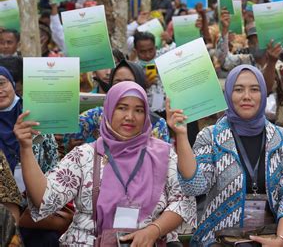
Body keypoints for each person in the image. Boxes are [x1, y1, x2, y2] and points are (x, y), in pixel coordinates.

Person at [14, 81, 196, 246]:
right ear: (108, 110)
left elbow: (183, 201)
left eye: (139, 110)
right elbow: (44, 198)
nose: (130, 116)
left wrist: (153, 230)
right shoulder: (84, 156)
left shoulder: (164, 155)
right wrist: (26, 148)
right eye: (122, 108)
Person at [168, 65, 283, 246]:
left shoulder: (282, 139)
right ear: (228, 95)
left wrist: (281, 239)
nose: (246, 96)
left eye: (254, 89)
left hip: (271, 236)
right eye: (238, 89)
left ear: (263, 94)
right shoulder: (211, 136)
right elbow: (194, 187)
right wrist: (182, 135)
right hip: (220, 238)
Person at [65, 59, 170, 147]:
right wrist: (68, 145)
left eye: (128, 82)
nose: (123, 87)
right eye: (117, 82)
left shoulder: (156, 124)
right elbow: (68, 135)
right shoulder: (96, 116)